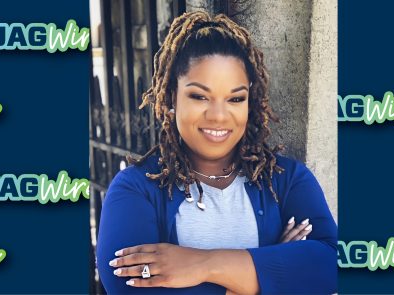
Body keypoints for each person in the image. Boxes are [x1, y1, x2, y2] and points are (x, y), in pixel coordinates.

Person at [97, 11, 337, 294]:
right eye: (199, 96)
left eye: (235, 98)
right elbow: (130, 287)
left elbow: (332, 263)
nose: (219, 116)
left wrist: (203, 264)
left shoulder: (286, 180)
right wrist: (270, 273)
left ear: (250, 101)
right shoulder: (136, 189)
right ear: (173, 96)